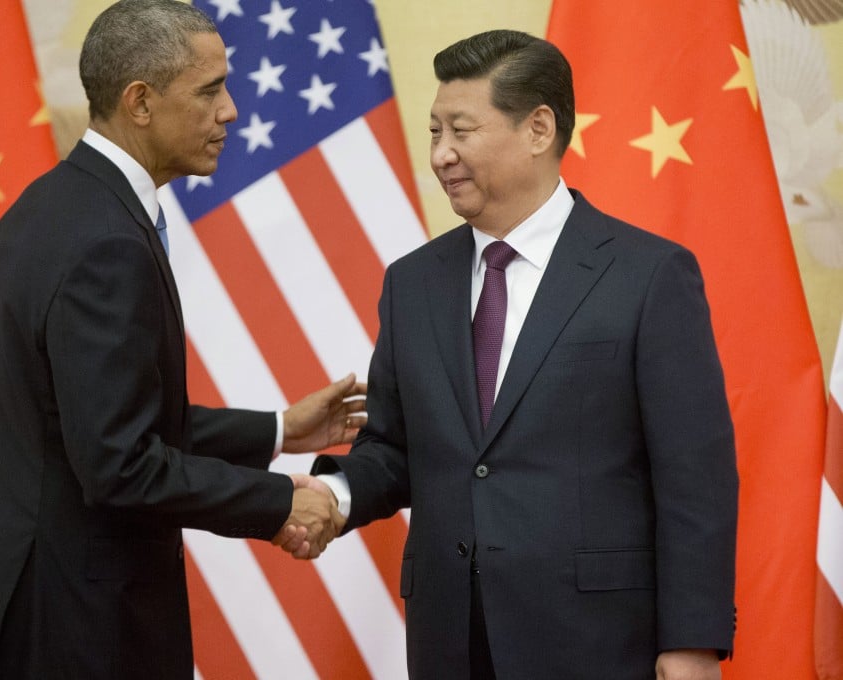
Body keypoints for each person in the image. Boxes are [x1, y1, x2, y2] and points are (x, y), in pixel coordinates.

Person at [0, 1, 360, 678]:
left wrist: (277, 430)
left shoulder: (51, 206)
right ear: (141, 102)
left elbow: (89, 422)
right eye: (209, 91)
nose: (231, 111)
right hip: (70, 627)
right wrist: (278, 501)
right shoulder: (106, 242)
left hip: (25, 602)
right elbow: (119, 464)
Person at [299, 29, 738, 680]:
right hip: (451, 639)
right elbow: (393, 450)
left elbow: (694, 476)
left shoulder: (648, 276)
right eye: (433, 132)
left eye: (461, 130)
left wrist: (693, 642)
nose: (441, 154)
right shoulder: (412, 283)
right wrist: (332, 495)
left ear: (538, 129)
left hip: (597, 641)